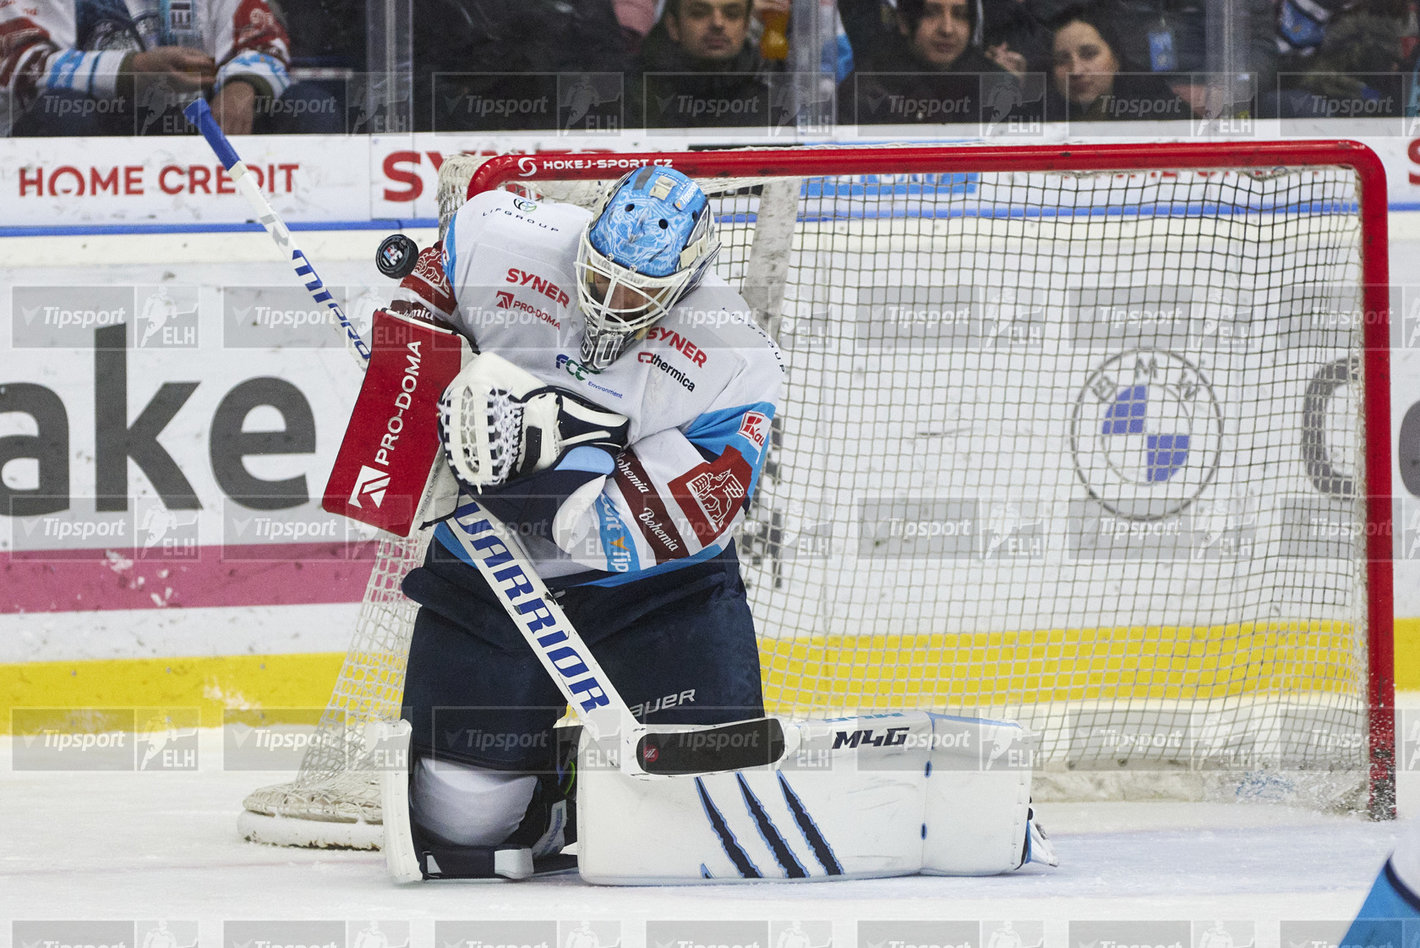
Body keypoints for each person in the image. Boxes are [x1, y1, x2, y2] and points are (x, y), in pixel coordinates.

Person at [385, 166, 784, 876]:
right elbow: (418, 296)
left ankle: (595, 772)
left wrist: (534, 456)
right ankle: (556, 789)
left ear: (687, 281)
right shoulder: (496, 236)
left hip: (659, 592)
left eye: (637, 293)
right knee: (464, 827)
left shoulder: (736, 354)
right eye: (599, 278)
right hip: (486, 576)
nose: (611, 303)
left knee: (698, 810)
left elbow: (676, 520)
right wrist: (418, 352)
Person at [0, 0, 340, 136]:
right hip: (103, 142)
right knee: (59, 115)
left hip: (209, 130)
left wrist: (244, 86)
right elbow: (18, 61)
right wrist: (132, 70)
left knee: (310, 107)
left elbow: (262, 38)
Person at [836, 0, 1040, 125]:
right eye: (932, 13)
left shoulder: (997, 87)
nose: (947, 29)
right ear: (905, 21)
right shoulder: (866, 92)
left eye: (960, 15)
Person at [629, 0, 789, 128]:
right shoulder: (633, 99)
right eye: (699, 13)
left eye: (732, 14)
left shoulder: (774, 104)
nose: (718, 23)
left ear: (746, 26)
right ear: (673, 26)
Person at [1044, 5, 1189, 121]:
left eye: (1089, 54)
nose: (1076, 71)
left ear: (1116, 59)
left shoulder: (1162, 115)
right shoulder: (1035, 121)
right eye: (1061, 61)